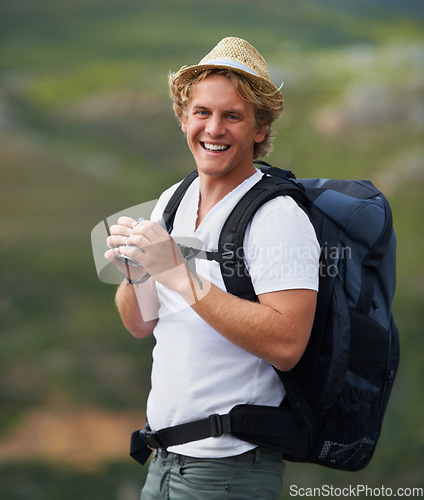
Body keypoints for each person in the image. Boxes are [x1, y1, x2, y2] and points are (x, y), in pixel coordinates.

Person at [105, 37, 320, 500]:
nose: (213, 129)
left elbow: (287, 345)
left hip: (229, 471)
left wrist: (179, 274)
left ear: (260, 129)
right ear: (184, 118)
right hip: (161, 461)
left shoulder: (278, 217)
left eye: (233, 116)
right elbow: (141, 325)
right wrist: (136, 271)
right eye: (202, 112)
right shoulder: (173, 200)